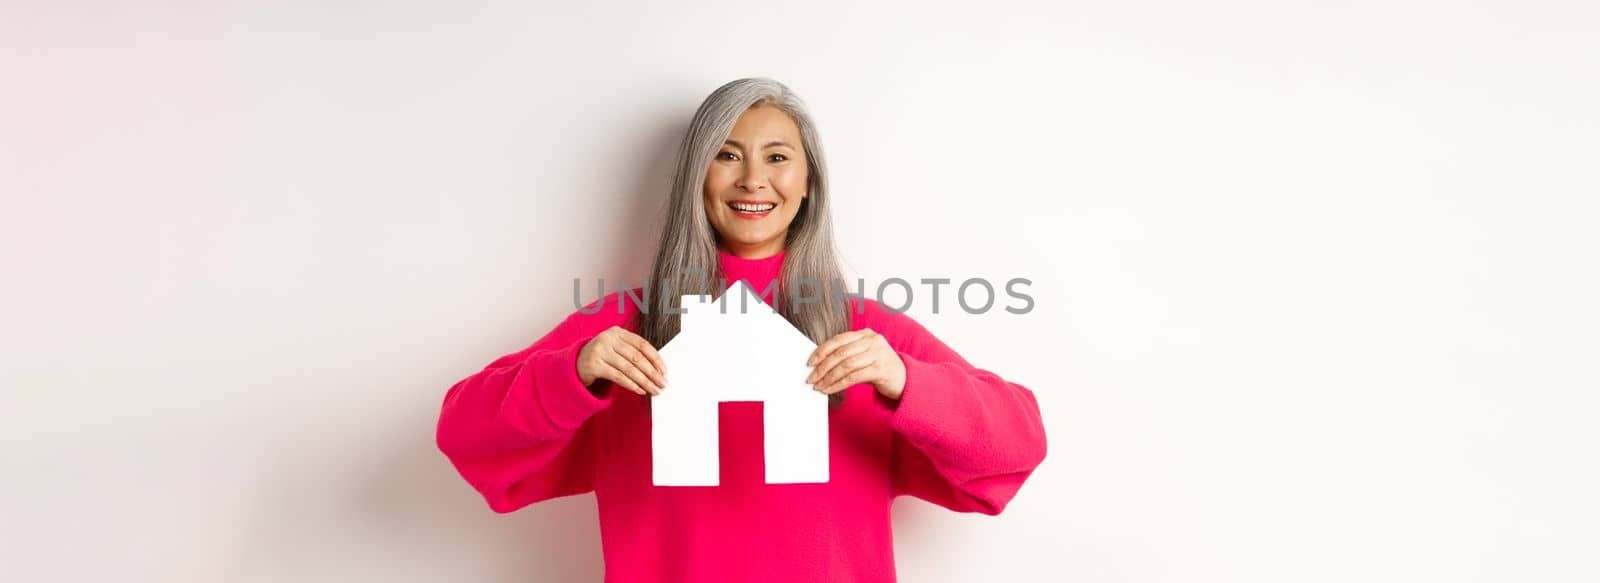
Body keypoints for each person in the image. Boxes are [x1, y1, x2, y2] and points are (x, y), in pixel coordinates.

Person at [435, 77, 1048, 582]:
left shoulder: (861, 333)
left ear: (809, 185)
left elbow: (1019, 441)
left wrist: (906, 381)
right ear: (696, 180)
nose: (753, 179)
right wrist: (571, 372)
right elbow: (464, 430)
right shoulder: (626, 329)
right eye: (726, 155)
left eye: (778, 158)